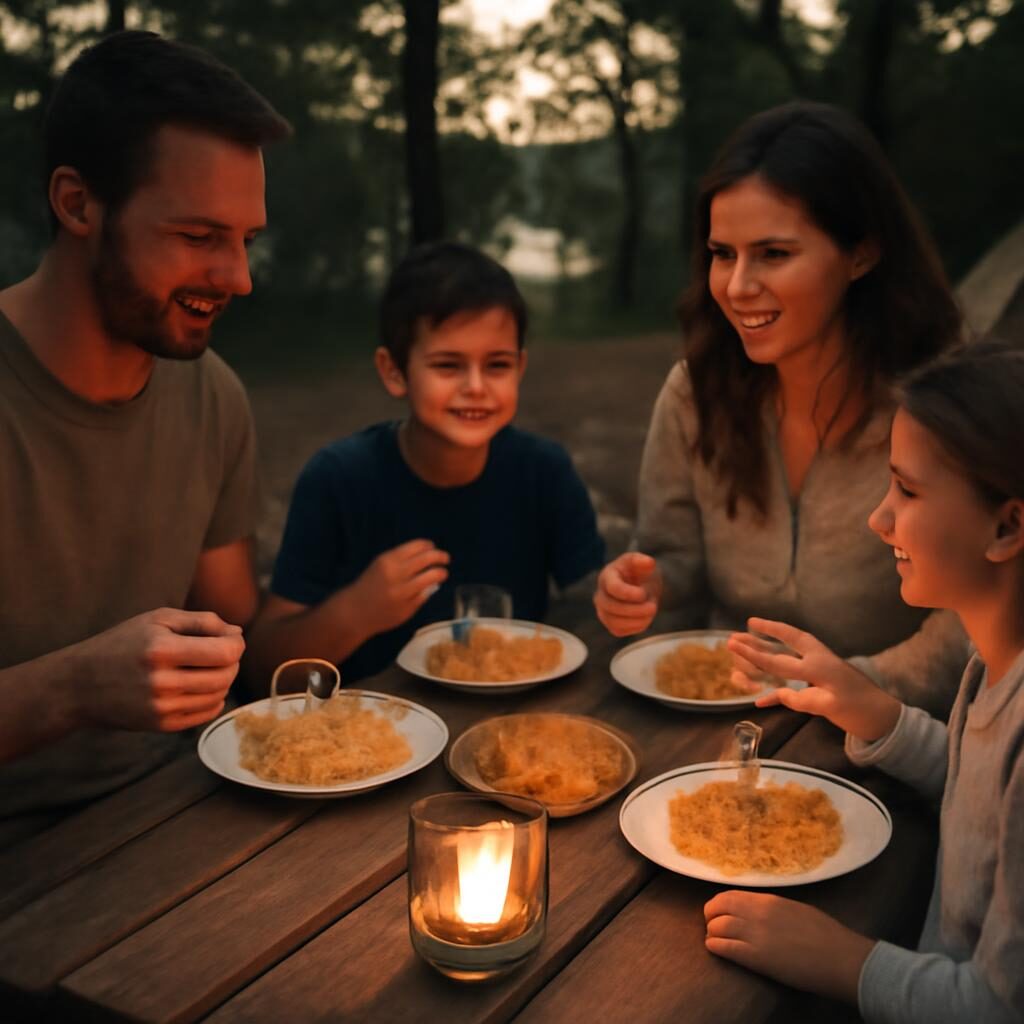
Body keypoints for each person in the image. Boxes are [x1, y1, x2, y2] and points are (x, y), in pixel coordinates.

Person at [0, 31, 291, 831]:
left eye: (246, 241)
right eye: (200, 237)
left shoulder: (214, 398)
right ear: (78, 203)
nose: (238, 278)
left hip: (173, 820)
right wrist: (75, 686)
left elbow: (244, 635)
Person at [593, 101, 967, 716]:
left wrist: (846, 691)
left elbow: (969, 624)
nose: (737, 286)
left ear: (862, 253)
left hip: (888, 740)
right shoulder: (695, 393)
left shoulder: (942, 408)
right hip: (721, 722)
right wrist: (645, 589)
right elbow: (674, 559)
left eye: (772, 254)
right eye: (722, 253)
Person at [705, 341, 1024, 1023]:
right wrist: (876, 714)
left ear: (1007, 525)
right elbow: (981, 799)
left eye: (906, 490)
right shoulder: (994, 665)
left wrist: (841, 958)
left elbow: (998, 1004)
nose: (879, 519)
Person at [247, 241, 605, 686]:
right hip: (376, 735)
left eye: (496, 365)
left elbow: (596, 603)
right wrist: (357, 611)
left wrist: (622, 592)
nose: (476, 387)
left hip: (506, 726)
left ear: (520, 367)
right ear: (394, 371)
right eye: (448, 365)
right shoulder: (339, 479)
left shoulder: (543, 471)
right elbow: (264, 669)